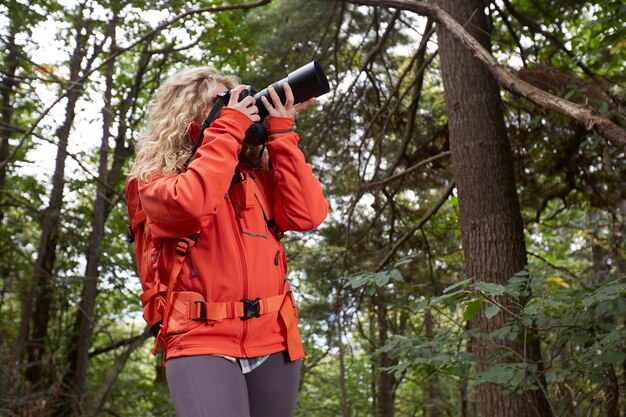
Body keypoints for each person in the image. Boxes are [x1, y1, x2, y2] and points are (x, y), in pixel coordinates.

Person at [127, 67, 328, 417]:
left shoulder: (254, 173)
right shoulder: (153, 181)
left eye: (240, 103)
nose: (238, 110)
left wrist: (281, 135)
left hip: (273, 338)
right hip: (200, 340)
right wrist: (227, 129)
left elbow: (307, 214)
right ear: (185, 115)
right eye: (222, 104)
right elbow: (190, 206)